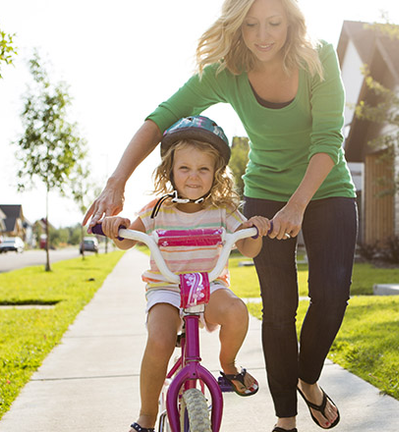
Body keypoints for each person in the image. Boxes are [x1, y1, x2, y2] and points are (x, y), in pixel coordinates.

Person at [84, 1, 357, 431]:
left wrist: (299, 204)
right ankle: (286, 421)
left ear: (291, 21)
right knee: (279, 307)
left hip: (325, 188)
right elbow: (161, 119)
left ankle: (307, 377)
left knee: (331, 296)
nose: (263, 35)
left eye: (273, 23)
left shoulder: (318, 56)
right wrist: (117, 180)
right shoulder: (227, 72)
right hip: (266, 191)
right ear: (236, 26)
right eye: (250, 24)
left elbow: (327, 139)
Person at [99, 115, 272, 432]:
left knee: (237, 312)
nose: (194, 177)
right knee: (160, 339)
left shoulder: (223, 209)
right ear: (170, 171)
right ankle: (147, 418)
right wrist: (116, 226)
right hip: (167, 287)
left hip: (209, 286)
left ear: (216, 173)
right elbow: (125, 240)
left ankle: (229, 367)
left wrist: (253, 230)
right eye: (185, 168)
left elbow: (249, 249)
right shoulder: (157, 209)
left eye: (203, 169)